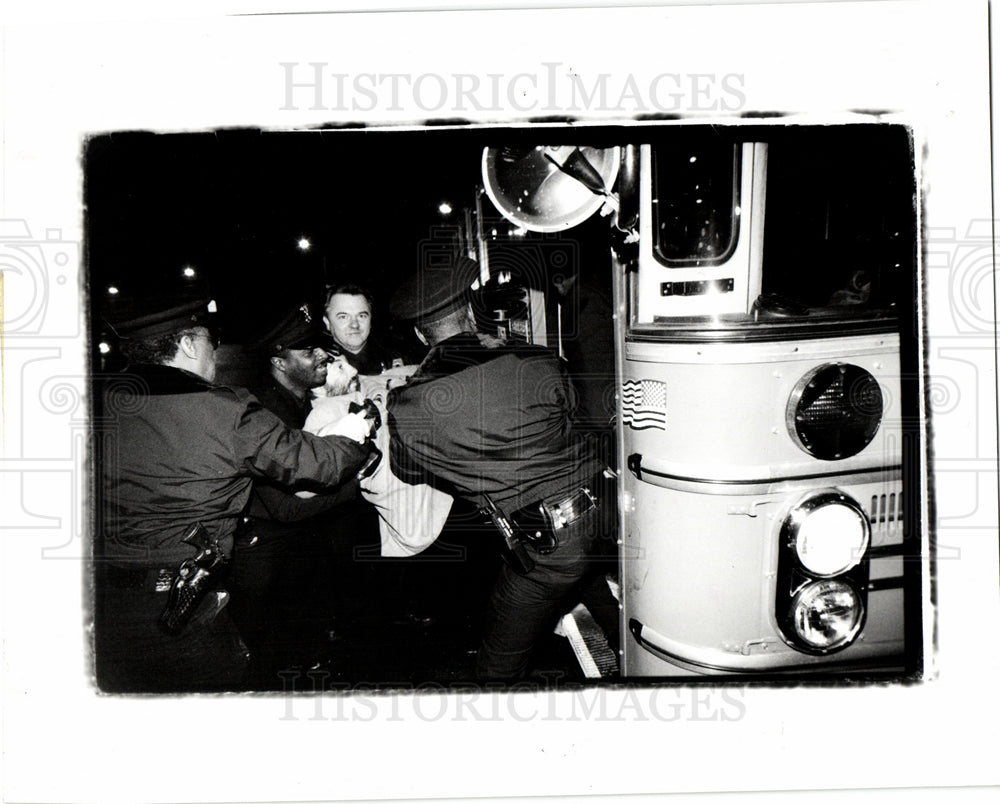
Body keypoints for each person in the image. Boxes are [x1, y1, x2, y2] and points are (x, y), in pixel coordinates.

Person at [95, 292, 374, 693]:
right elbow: (317, 464)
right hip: (181, 602)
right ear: (190, 345)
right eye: (210, 342)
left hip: (102, 600)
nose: (215, 353)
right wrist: (357, 430)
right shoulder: (226, 411)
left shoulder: (100, 405)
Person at [386, 256, 617, 680]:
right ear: (472, 311)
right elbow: (574, 421)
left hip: (548, 545)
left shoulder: (410, 407)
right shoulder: (541, 360)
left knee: (499, 660)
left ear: (421, 333)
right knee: (597, 588)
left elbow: (408, 469)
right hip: (608, 513)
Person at [227, 302, 373, 687]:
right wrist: (361, 481)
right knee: (277, 667)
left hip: (298, 556)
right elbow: (284, 509)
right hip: (268, 559)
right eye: (308, 352)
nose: (323, 355)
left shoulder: (300, 400)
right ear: (278, 361)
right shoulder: (261, 412)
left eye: (319, 347)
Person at [324, 283, 401, 375]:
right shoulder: (322, 368)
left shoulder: (396, 355)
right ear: (327, 323)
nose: (354, 325)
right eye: (343, 317)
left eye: (361, 316)